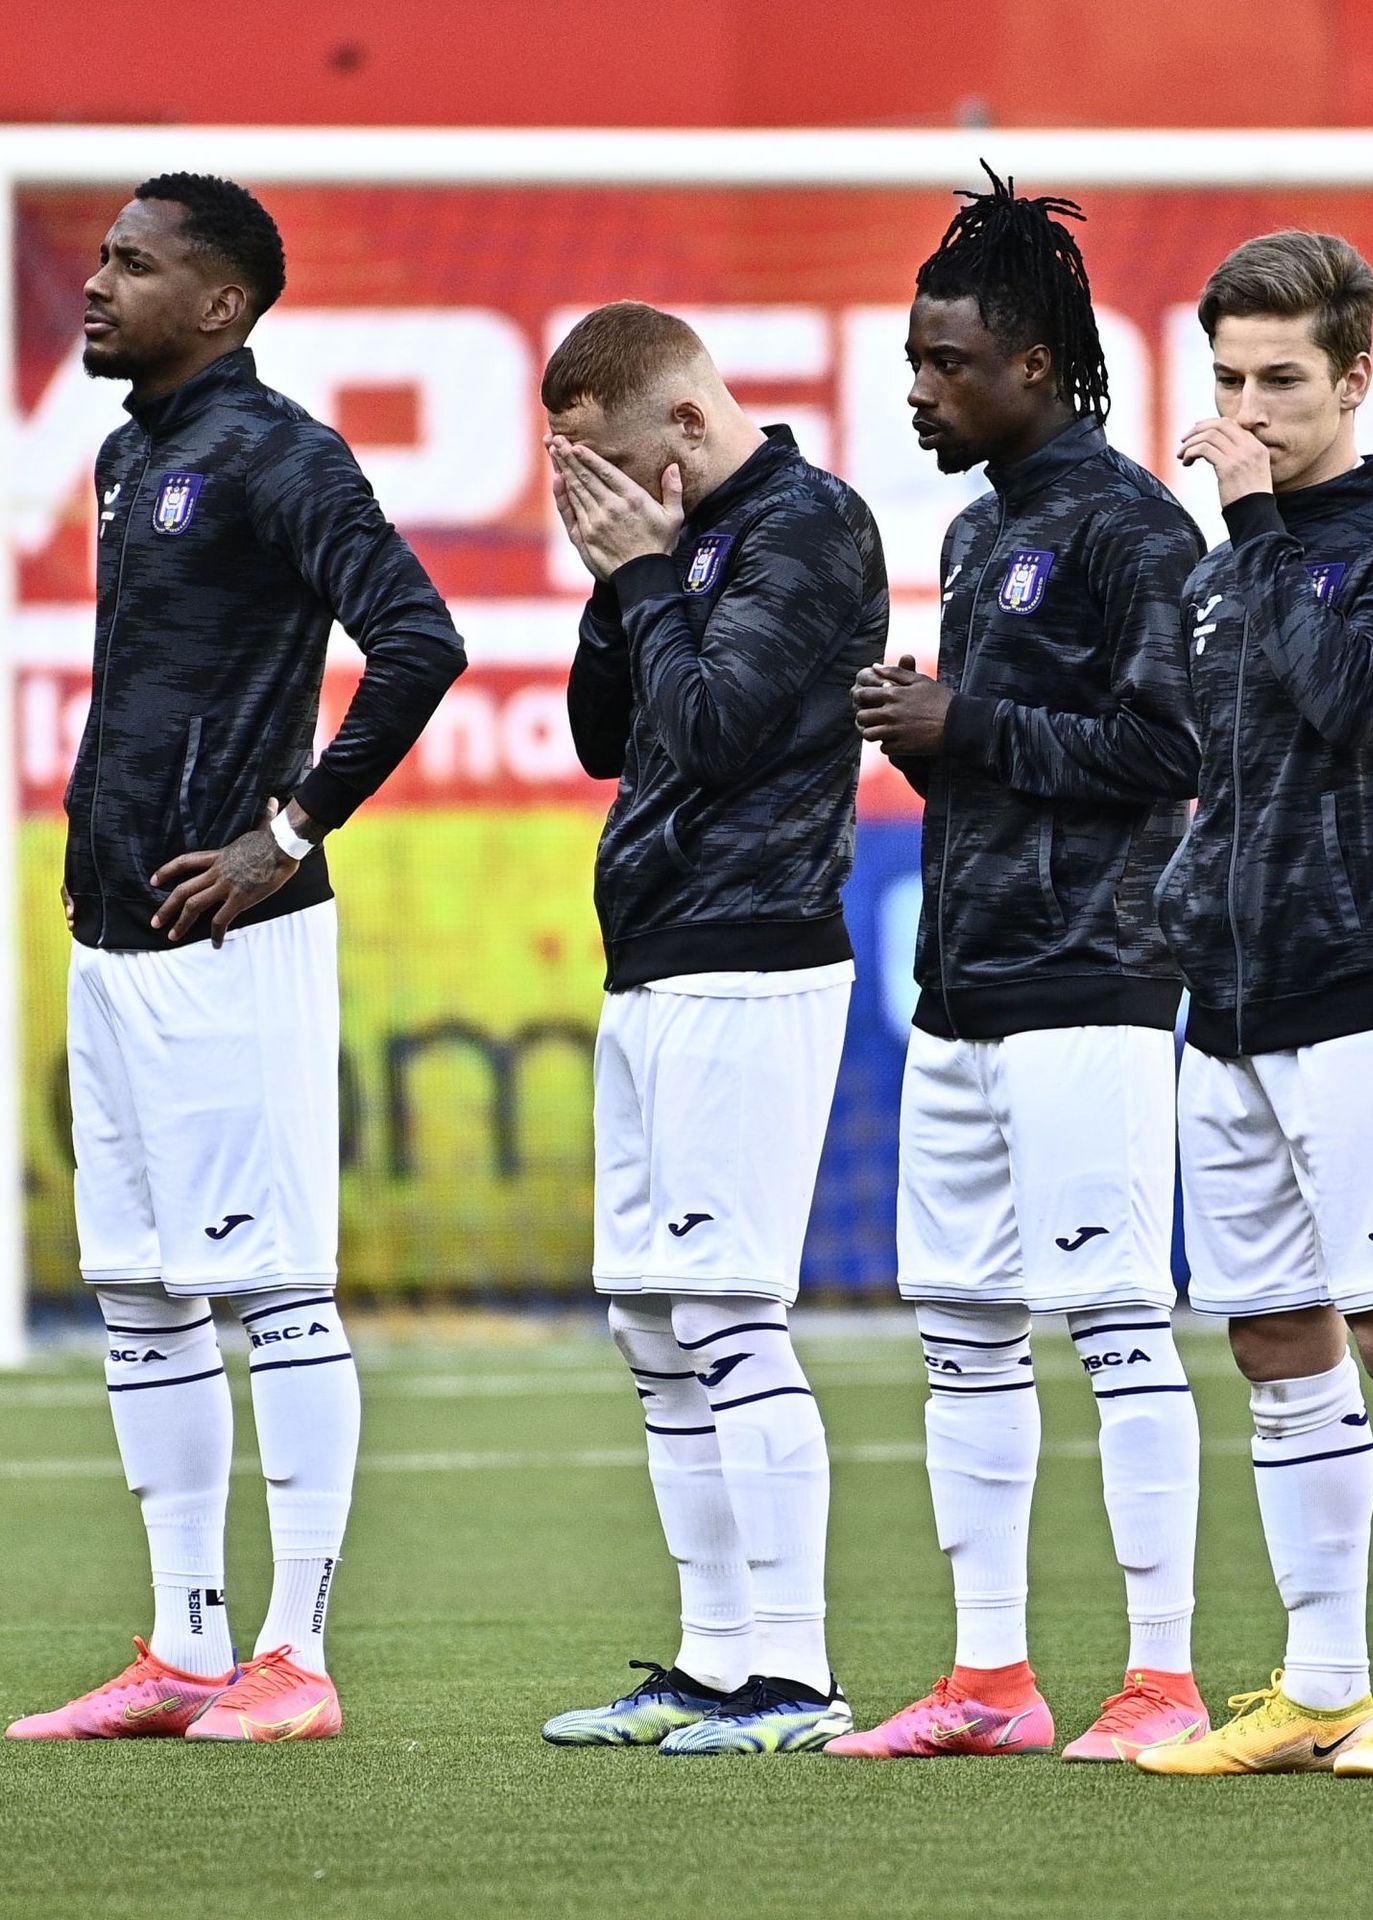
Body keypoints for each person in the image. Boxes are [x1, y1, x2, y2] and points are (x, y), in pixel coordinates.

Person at [6, 174, 465, 1743]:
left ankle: (297, 1654)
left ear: (223, 303)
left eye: (137, 264)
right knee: (138, 1295)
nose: (99, 282)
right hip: (122, 942)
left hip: (236, 944)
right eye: (104, 257)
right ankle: (187, 1644)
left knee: (272, 1290)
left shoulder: (283, 453)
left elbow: (420, 641)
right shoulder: (135, 456)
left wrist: (288, 829)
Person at [828, 170, 1207, 1764]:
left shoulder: (1135, 527)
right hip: (969, 986)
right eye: (914, 360)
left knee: (1116, 1323)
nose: (922, 389)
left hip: (1097, 979)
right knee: (965, 1331)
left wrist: (961, 727)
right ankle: (990, 1679)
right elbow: (1016, 765)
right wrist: (938, 741)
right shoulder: (978, 530)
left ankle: (1163, 1678)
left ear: (1039, 365)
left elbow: (1172, 749)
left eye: (951, 362)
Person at [1135, 230, 1373, 1782]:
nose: (1249, 409)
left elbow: (1352, 696)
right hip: (1222, 997)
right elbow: (1192, 767)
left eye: (1282, 379)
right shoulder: (1225, 571)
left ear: (1355, 375)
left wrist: (1262, 519)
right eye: (1227, 379)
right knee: (1276, 1344)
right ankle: (1322, 1681)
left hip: (1368, 988)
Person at [536, 301, 886, 1755]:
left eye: (610, 466)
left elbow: (717, 729)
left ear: (683, 424)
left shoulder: (811, 525)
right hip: (658, 958)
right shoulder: (674, 552)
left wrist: (643, 572)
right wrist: (623, 581)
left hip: (754, 958)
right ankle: (712, 1658)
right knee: (651, 1319)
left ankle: (796, 1678)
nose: (599, 499)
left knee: (732, 1314)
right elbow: (608, 736)